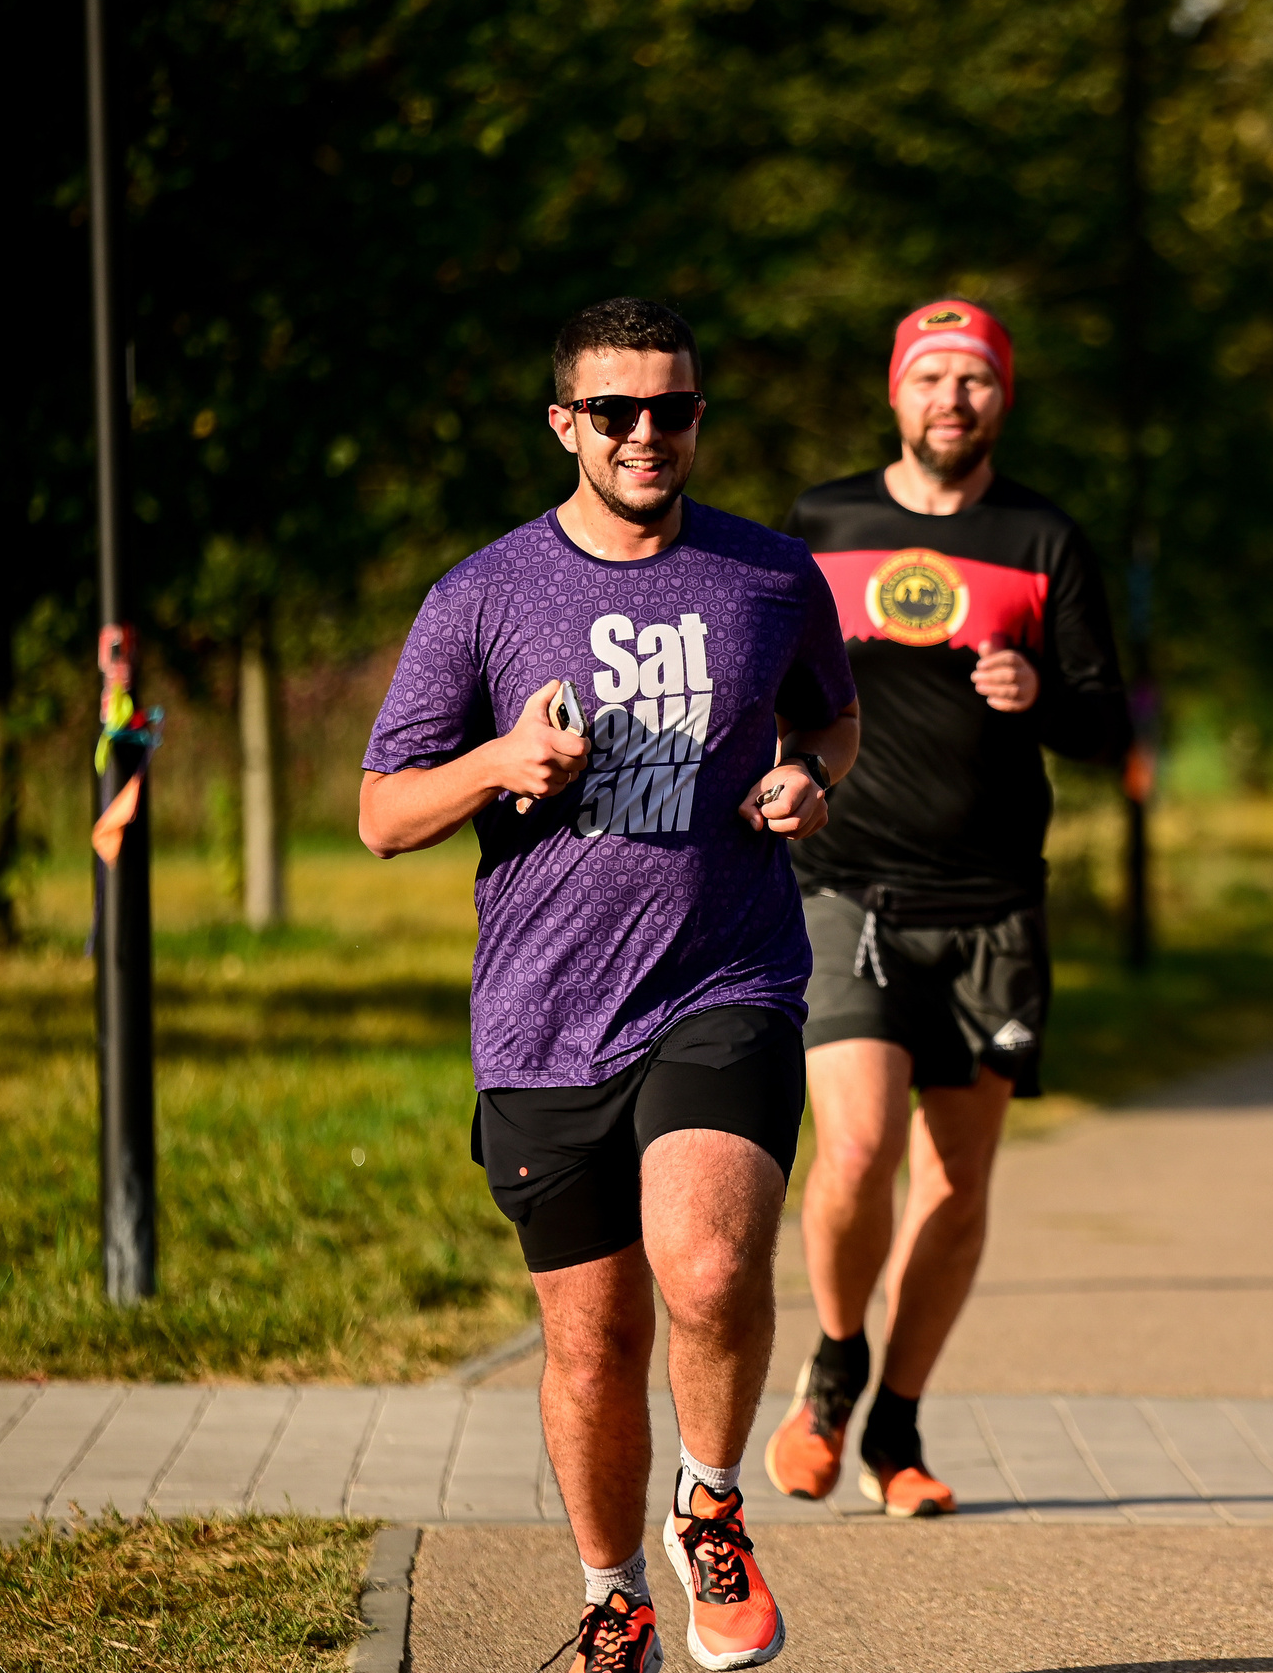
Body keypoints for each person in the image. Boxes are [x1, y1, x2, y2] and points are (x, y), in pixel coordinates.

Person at [359, 298, 860, 1673]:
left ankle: (710, 1504)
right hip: (541, 1015)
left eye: (676, 410)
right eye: (620, 412)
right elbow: (383, 814)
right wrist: (496, 767)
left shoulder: (769, 577)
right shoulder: (482, 596)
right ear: (565, 423)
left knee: (707, 1266)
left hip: (726, 973)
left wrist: (812, 777)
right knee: (591, 1343)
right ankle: (614, 1597)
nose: (651, 435)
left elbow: (832, 711)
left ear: (700, 417)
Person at [763, 299, 1130, 1517]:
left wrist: (1039, 695)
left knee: (957, 1184)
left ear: (1001, 398)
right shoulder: (817, 524)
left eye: (975, 379)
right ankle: (832, 1366)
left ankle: (898, 1430)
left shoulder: (1042, 537)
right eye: (932, 378)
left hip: (991, 905)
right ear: (896, 394)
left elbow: (1107, 725)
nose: (952, 400)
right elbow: (755, 681)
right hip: (845, 885)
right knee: (857, 1148)